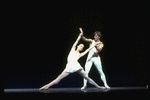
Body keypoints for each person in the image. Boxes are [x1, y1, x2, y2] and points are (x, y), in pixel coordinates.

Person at [39, 28, 104, 90]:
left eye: (83, 47)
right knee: (58, 78)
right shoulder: (72, 49)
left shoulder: (80, 54)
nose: (82, 47)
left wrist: (94, 45)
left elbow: (88, 50)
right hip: (69, 66)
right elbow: (77, 41)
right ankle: (47, 86)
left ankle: (98, 86)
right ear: (77, 46)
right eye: (81, 46)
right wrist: (80, 34)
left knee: (87, 77)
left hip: (76, 66)